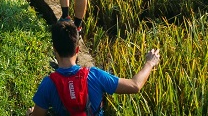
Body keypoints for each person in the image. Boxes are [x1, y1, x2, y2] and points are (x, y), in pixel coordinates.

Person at [28, 19, 160, 116]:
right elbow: (135, 85)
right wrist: (149, 63)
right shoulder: (95, 75)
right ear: (78, 49)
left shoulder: (48, 84)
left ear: (55, 50)